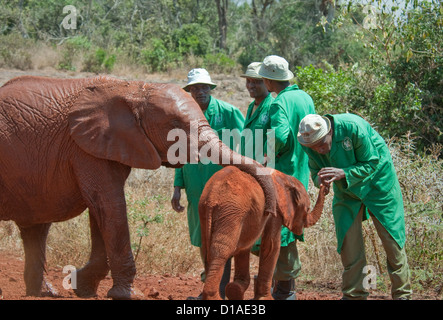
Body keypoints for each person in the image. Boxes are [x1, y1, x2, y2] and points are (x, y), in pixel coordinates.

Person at [297, 113, 412, 300]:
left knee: (392, 242)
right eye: (313, 147)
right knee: (349, 244)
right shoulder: (309, 144)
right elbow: (315, 170)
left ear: (330, 131)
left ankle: (402, 295)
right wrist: (320, 181)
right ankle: (354, 296)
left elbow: (372, 161)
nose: (319, 149)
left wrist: (344, 171)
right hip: (346, 190)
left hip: (378, 184)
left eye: (322, 143)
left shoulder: (352, 128)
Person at [171, 68, 245, 300]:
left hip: (224, 189)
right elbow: (180, 153)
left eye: (204, 87)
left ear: (211, 89)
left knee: (224, 239)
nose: (199, 92)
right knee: (205, 240)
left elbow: (246, 145)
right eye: (195, 88)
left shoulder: (229, 112)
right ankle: (212, 290)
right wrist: (176, 187)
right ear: (189, 91)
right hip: (195, 188)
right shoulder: (183, 116)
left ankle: (218, 291)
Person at [257, 55, 316, 300]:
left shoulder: (278, 103)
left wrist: (266, 157)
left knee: (279, 227)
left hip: (283, 173)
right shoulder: (305, 97)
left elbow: (280, 135)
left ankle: (284, 289)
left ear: (269, 81)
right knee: (290, 224)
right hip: (301, 170)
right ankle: (284, 285)